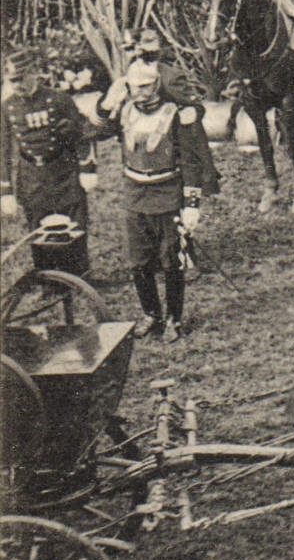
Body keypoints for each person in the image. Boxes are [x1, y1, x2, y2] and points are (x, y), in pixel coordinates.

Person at [88, 59, 218, 342]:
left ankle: (174, 318)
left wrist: (192, 205)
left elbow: (190, 161)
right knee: (139, 262)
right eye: (135, 86)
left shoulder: (175, 114)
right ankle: (151, 314)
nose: (141, 92)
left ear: (157, 84)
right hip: (135, 193)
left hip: (167, 193)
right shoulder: (124, 110)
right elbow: (95, 132)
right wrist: (107, 103)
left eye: (146, 86)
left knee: (172, 262)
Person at [1, 48, 96, 276]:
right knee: (38, 225)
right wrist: (5, 190)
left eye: (20, 79)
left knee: (75, 223)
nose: (17, 85)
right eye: (12, 81)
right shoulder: (7, 107)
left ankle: (79, 275)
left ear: (33, 73)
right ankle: (47, 276)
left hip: (63, 170)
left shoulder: (59, 99)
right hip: (31, 174)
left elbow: (82, 133)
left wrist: (87, 169)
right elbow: (2, 150)